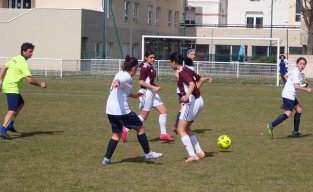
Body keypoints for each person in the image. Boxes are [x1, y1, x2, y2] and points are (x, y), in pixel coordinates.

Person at [102, 55, 163, 165]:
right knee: (140, 128)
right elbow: (118, 81)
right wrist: (116, 83)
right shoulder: (124, 76)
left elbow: (124, 92)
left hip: (110, 110)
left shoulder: (121, 73)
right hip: (121, 111)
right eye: (137, 69)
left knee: (117, 134)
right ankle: (148, 153)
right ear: (134, 68)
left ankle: (107, 159)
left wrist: (135, 95)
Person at [122, 50, 175, 142]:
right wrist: (153, 87)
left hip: (152, 92)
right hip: (146, 93)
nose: (153, 59)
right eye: (151, 57)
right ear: (146, 58)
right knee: (143, 116)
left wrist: (155, 85)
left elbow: (148, 81)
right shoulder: (145, 67)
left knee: (164, 111)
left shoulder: (150, 66)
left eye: (154, 57)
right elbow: (141, 82)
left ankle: (163, 134)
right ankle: (126, 128)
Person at [169, 52, 212, 163]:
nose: (170, 64)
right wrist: (206, 78)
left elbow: (192, 84)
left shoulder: (182, 72)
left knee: (180, 129)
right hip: (198, 101)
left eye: (170, 62)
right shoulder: (186, 69)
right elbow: (198, 78)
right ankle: (199, 152)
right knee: (186, 129)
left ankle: (192, 155)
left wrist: (187, 95)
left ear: (174, 62)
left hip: (192, 102)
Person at [0, 43, 47, 140]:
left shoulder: (16, 58)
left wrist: (0, 80)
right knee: (12, 109)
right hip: (11, 87)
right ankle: (3, 130)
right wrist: (40, 84)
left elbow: (4, 67)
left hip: (8, 85)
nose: (31, 54)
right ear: (24, 51)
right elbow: (30, 80)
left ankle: (10, 124)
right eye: (30, 52)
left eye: (32, 52)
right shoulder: (23, 63)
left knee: (20, 104)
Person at [267, 57, 312, 137]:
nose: (302, 65)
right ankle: (271, 126)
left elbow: (285, 76)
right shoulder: (296, 73)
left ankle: (296, 131)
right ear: (297, 64)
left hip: (289, 94)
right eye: (300, 63)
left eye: (303, 64)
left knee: (299, 110)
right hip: (289, 95)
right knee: (288, 113)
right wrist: (307, 89)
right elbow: (296, 86)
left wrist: (290, 84)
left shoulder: (296, 71)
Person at [172, 48, 212, 134]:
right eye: (192, 54)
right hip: (183, 90)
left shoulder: (190, 63)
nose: (194, 56)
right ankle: (178, 127)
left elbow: (193, 77)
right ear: (187, 55)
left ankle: (179, 127)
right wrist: (184, 80)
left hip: (189, 89)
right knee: (183, 107)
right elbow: (177, 74)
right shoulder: (185, 62)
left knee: (185, 107)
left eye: (194, 54)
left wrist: (203, 79)